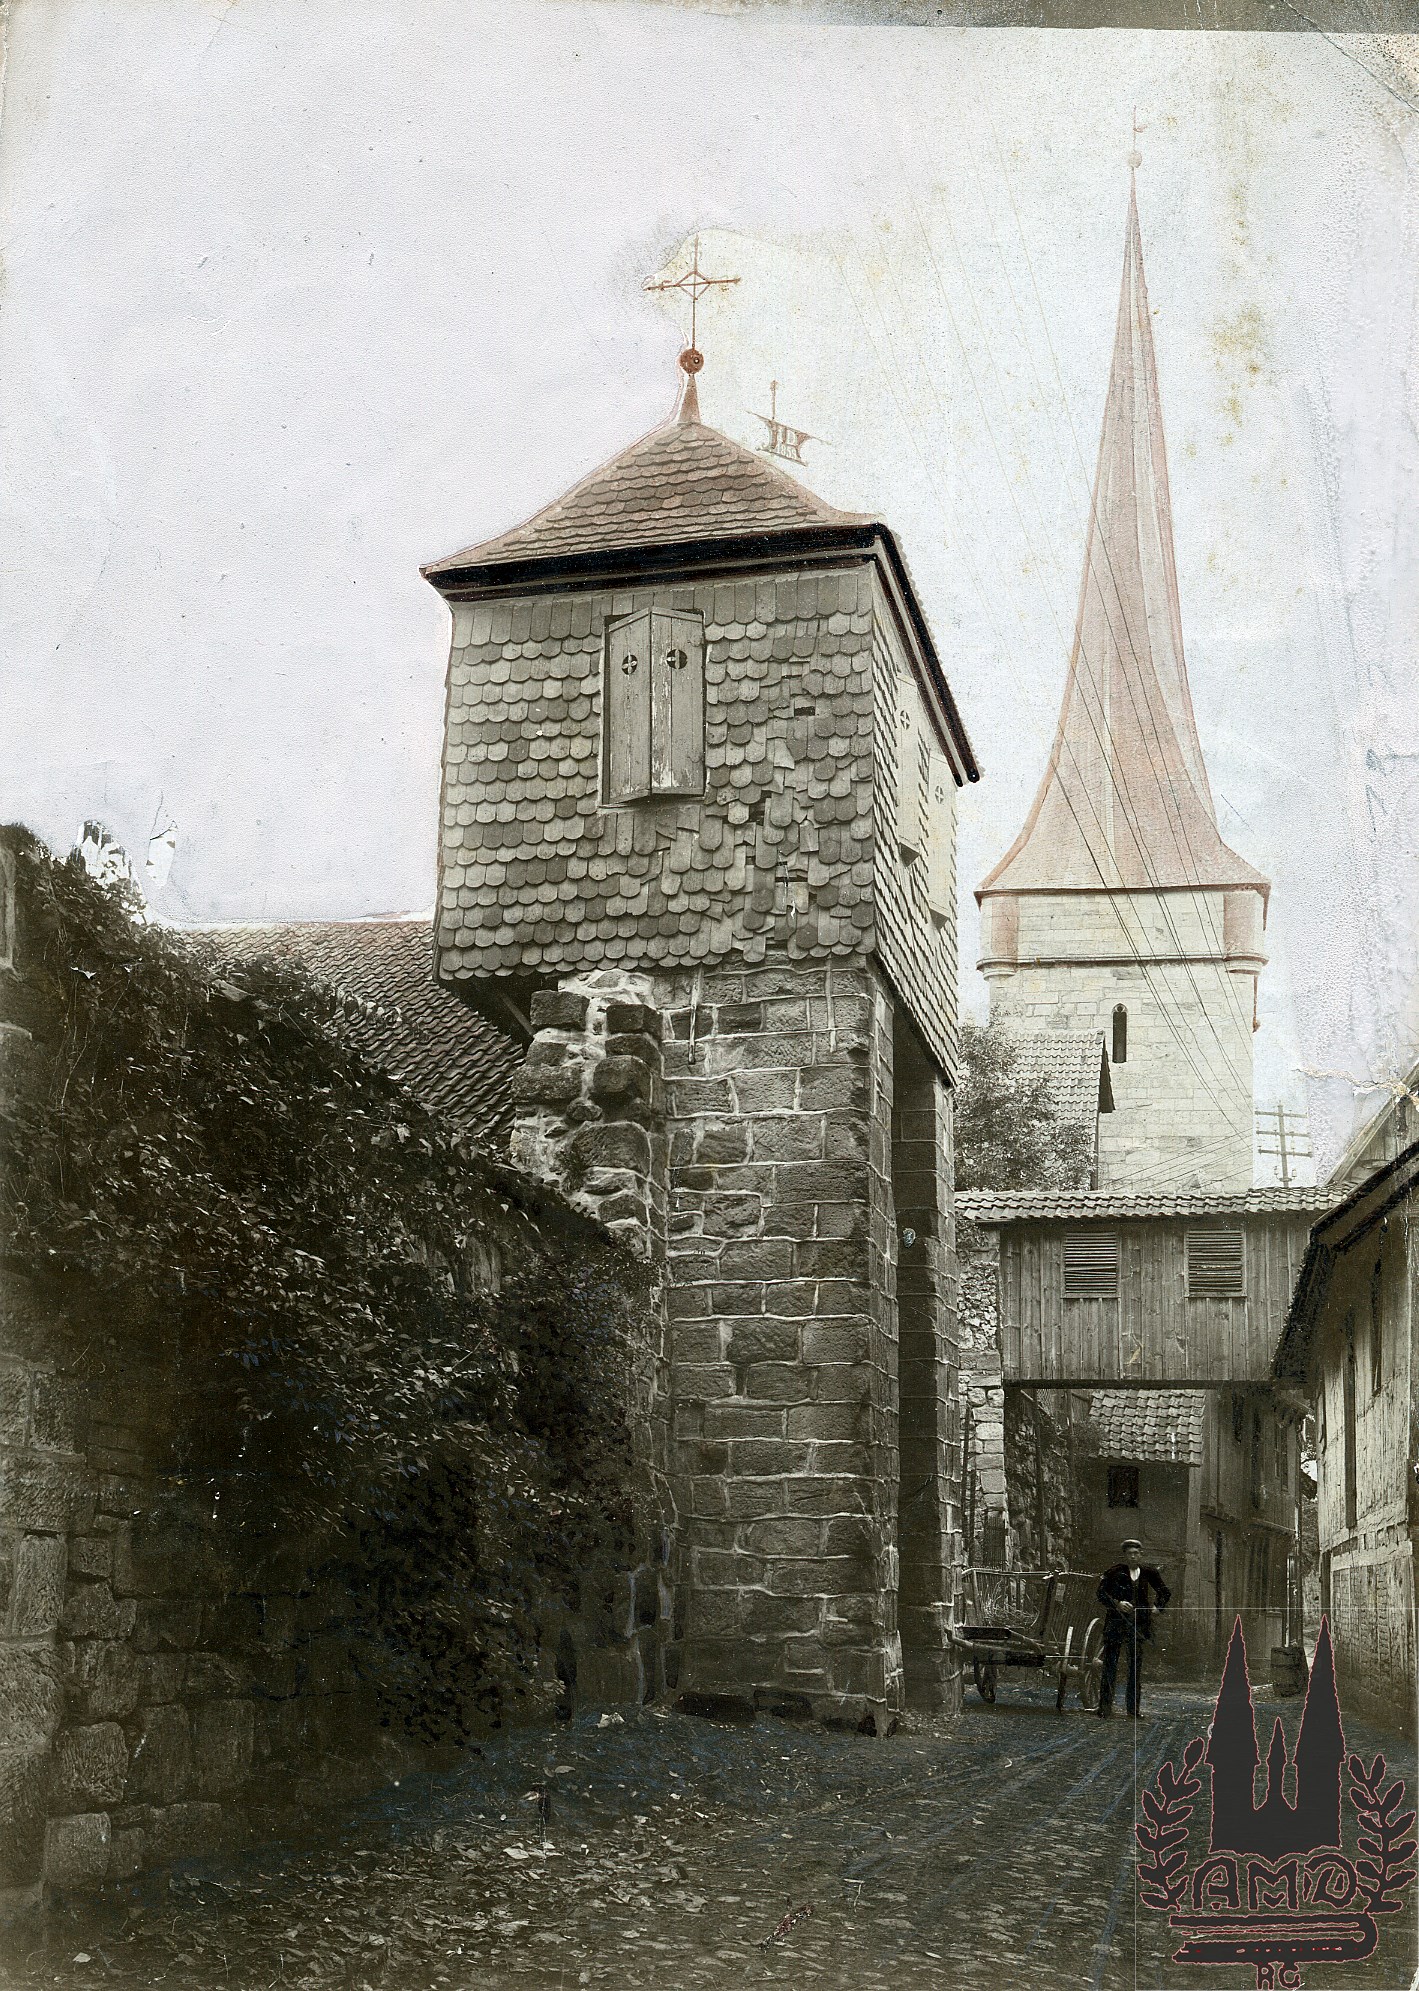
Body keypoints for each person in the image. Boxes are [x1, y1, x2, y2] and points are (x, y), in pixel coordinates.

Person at [1096, 1536, 1170, 1719]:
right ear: (1125, 1555)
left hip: (1138, 1627)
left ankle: (1133, 1711)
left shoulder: (1148, 1573)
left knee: (1134, 1668)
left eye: (1136, 1553)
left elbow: (1164, 1592)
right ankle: (1105, 1709)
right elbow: (1101, 1593)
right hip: (1116, 1624)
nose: (1133, 1557)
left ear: (1141, 1554)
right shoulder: (1115, 1572)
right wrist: (1117, 1603)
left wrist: (1158, 1607)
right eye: (1129, 1553)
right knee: (1110, 1666)